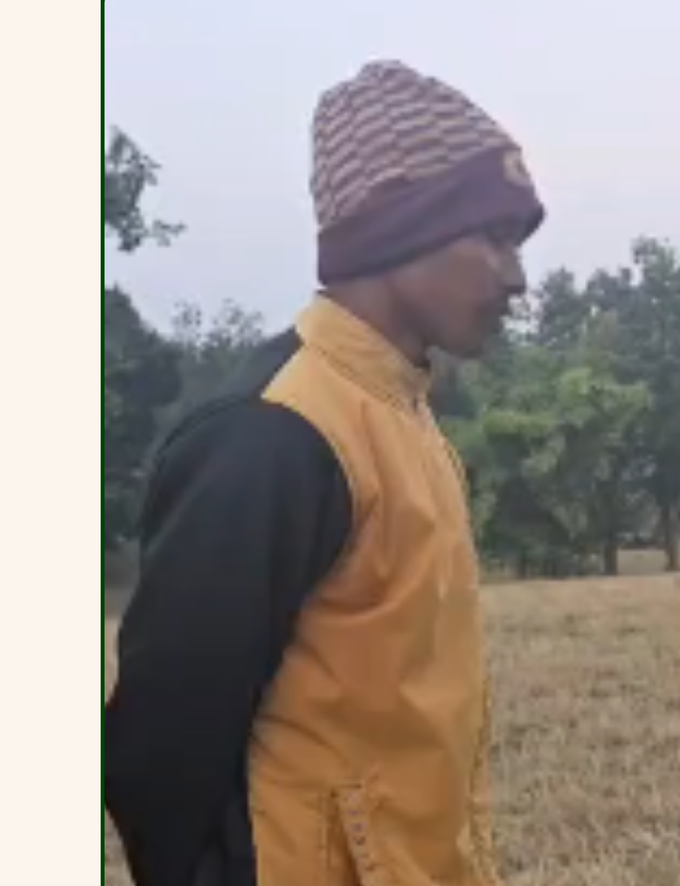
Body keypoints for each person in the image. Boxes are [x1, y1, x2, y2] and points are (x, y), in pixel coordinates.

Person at [103, 60, 545, 886]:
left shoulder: (407, 417)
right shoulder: (272, 435)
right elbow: (158, 753)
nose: (516, 278)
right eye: (490, 236)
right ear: (394, 233)